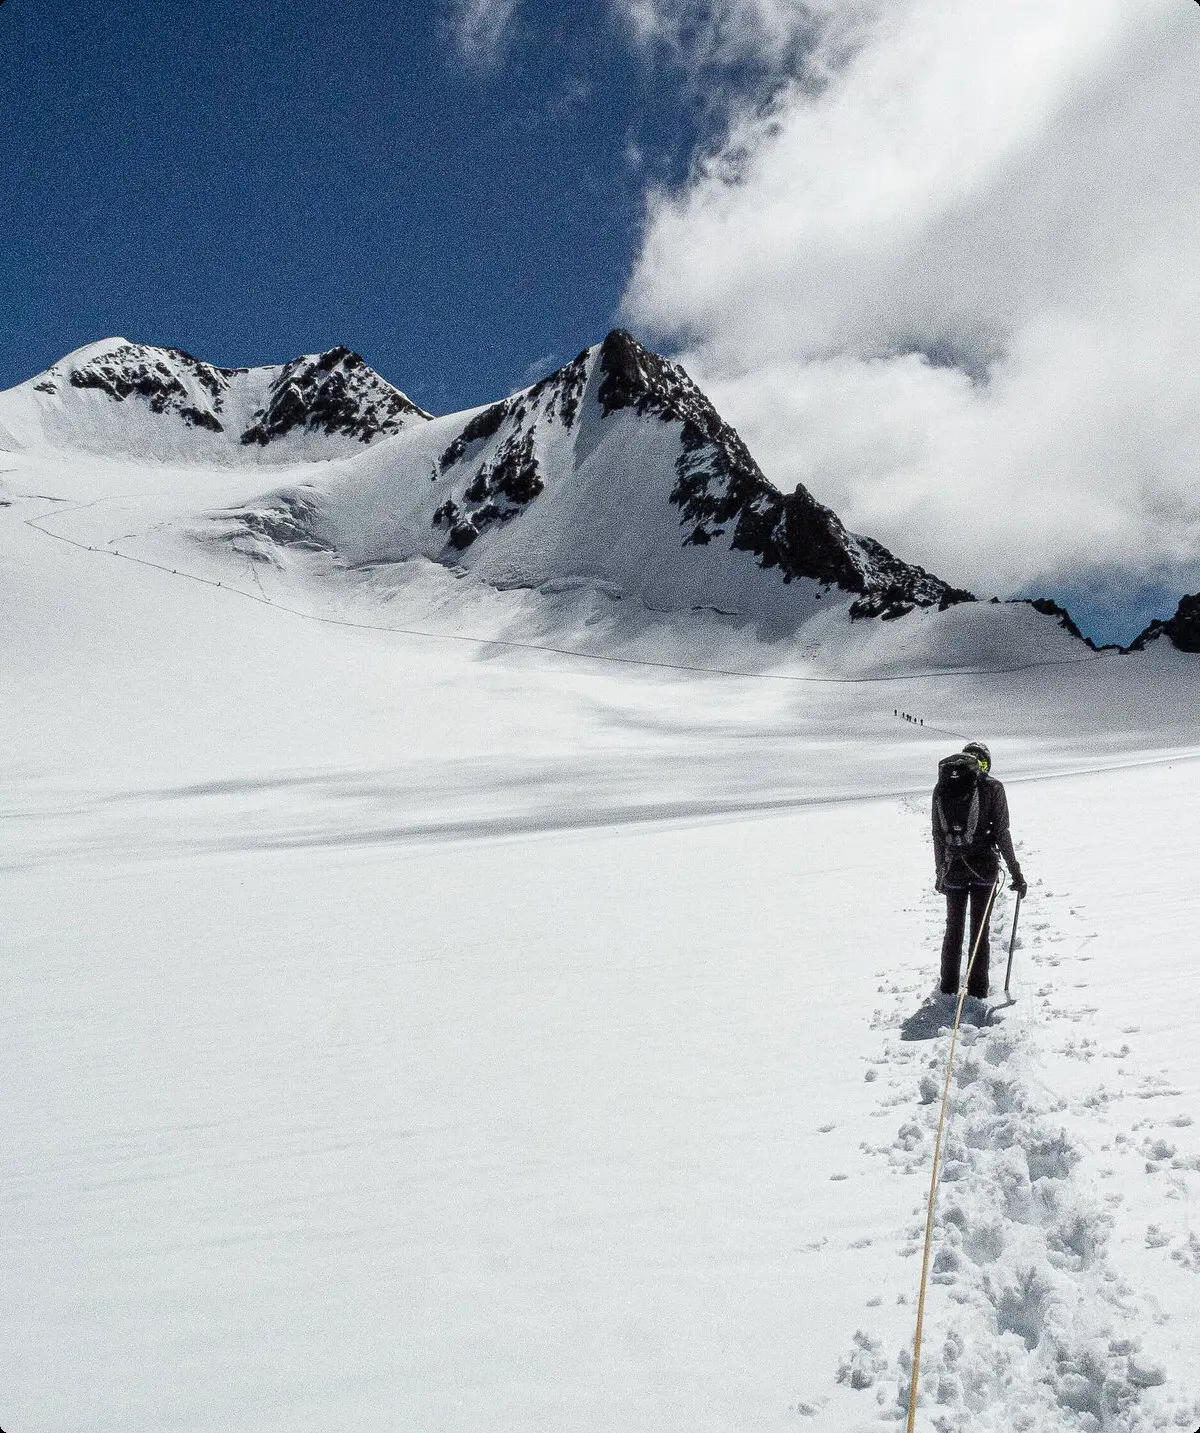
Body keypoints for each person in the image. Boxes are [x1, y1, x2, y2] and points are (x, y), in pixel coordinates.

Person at [932, 741, 1028, 999]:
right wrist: (1016, 873)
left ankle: (948, 988)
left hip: (953, 868)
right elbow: (1002, 833)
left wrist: (940, 871)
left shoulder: (942, 787)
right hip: (984, 868)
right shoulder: (994, 787)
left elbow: (938, 834)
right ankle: (977, 990)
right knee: (980, 928)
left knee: (953, 927)